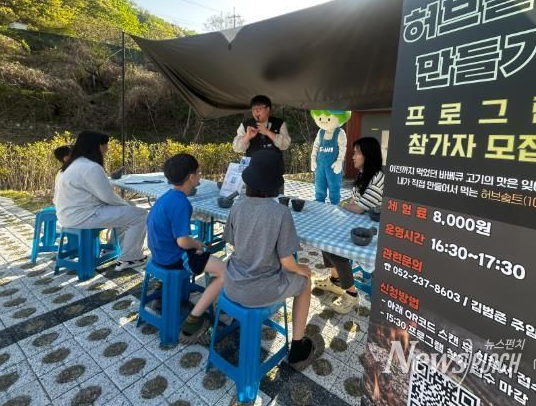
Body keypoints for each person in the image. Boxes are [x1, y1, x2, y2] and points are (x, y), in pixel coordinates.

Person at [223, 149, 324, 370]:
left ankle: (228, 317)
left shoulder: (237, 206)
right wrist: (303, 269)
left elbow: (233, 244)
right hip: (259, 291)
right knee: (305, 282)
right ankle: (297, 348)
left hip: (231, 284)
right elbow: (288, 262)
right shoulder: (281, 213)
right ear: (276, 184)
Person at [147, 153, 225, 342]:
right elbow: (182, 242)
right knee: (225, 271)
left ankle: (161, 292)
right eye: (198, 172)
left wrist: (194, 246)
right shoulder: (181, 203)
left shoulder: (166, 197)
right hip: (172, 258)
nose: (200, 176)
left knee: (199, 251)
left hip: (158, 253)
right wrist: (197, 244)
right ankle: (193, 320)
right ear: (191, 177)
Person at [53, 131, 147, 271]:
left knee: (130, 209)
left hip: (68, 215)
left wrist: (127, 206)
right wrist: (126, 205)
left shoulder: (72, 165)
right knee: (140, 215)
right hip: (83, 216)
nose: (107, 148)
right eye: (105, 144)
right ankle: (130, 258)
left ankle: (111, 248)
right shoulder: (90, 167)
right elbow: (108, 197)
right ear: (97, 146)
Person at [314, 137, 385, 314]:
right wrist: (349, 206)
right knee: (325, 236)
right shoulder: (363, 174)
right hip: (358, 223)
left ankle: (352, 294)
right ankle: (335, 280)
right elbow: (354, 202)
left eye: (357, 153)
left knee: (336, 247)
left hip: (371, 232)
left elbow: (358, 208)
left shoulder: (377, 178)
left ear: (368, 155)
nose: (352, 156)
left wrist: (344, 206)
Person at [232, 95, 291, 160]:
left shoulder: (279, 123)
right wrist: (247, 137)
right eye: (253, 109)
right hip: (253, 164)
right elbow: (236, 149)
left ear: (268, 109)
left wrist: (267, 132)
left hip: (274, 164)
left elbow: (285, 145)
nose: (256, 112)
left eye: (259, 109)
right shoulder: (245, 125)